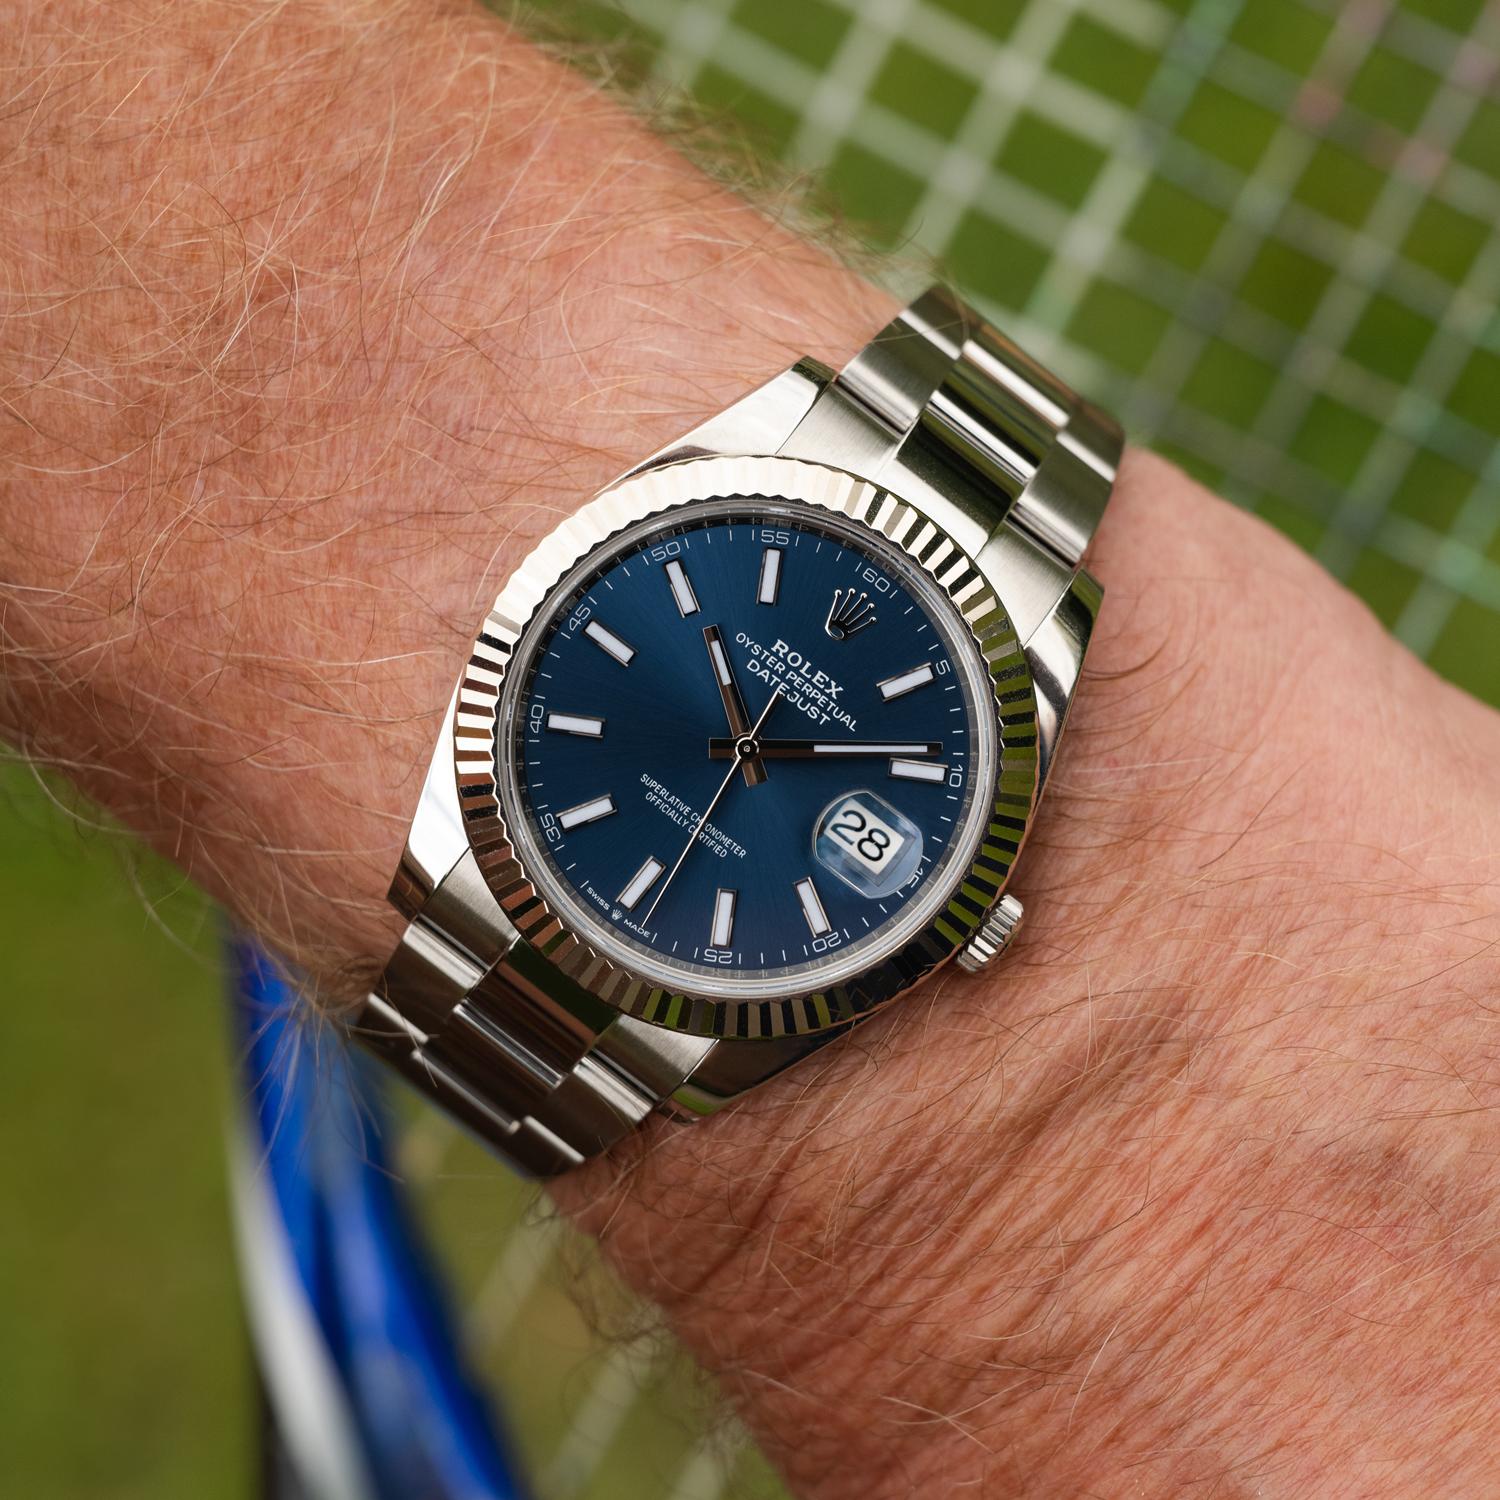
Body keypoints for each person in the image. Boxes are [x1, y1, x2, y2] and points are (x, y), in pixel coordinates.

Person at [3, 2, 1497, 1494]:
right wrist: (1043, 1129)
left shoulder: (856, 812)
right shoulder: (637, 591)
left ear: (969, 919)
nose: (749, 746)